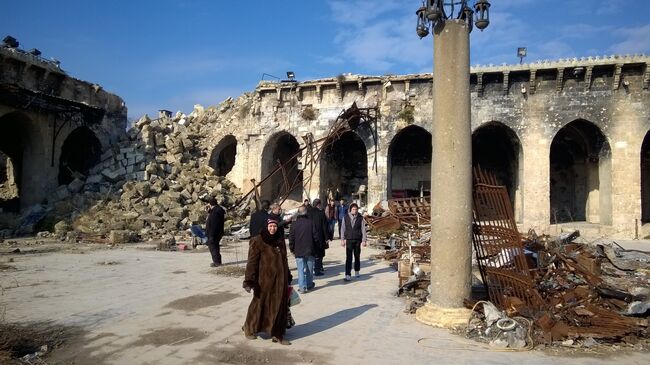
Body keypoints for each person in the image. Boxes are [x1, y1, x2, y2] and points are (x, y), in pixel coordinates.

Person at [242, 219, 292, 345]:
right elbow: (252, 262)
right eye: (270, 226)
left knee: (280, 307)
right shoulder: (258, 241)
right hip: (263, 281)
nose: (272, 228)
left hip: (280, 281)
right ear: (266, 226)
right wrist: (249, 280)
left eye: (275, 226)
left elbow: (284, 260)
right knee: (258, 305)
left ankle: (277, 333)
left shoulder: (280, 240)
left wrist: (288, 275)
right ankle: (249, 328)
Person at [289, 206, 319, 293]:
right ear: (306, 213)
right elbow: (315, 237)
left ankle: (302, 287)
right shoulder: (311, 222)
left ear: (298, 213)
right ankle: (309, 285)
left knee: (300, 269)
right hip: (310, 249)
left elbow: (291, 238)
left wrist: (292, 248)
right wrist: (316, 247)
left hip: (298, 250)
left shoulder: (294, 224)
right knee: (309, 269)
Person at [340, 203, 367, 281]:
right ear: (350, 210)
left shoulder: (360, 218)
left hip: (357, 239)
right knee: (349, 258)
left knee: (357, 256)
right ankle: (348, 274)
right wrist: (342, 239)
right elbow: (342, 229)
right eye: (353, 209)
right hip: (349, 240)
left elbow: (363, 229)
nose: (354, 211)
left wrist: (364, 240)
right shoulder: (345, 217)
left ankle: (357, 271)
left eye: (356, 209)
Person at [307, 198, 329, 276]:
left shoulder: (308, 212)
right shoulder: (321, 213)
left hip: (309, 236)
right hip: (320, 236)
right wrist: (327, 237)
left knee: (311, 254)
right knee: (319, 254)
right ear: (319, 204)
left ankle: (310, 270)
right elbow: (325, 226)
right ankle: (317, 269)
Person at [205, 197, 225, 267]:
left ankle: (217, 262)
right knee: (215, 247)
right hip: (217, 232)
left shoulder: (215, 212)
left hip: (214, 233)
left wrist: (211, 235)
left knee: (213, 247)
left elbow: (214, 224)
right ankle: (217, 261)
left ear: (210, 204)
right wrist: (209, 210)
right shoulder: (217, 210)